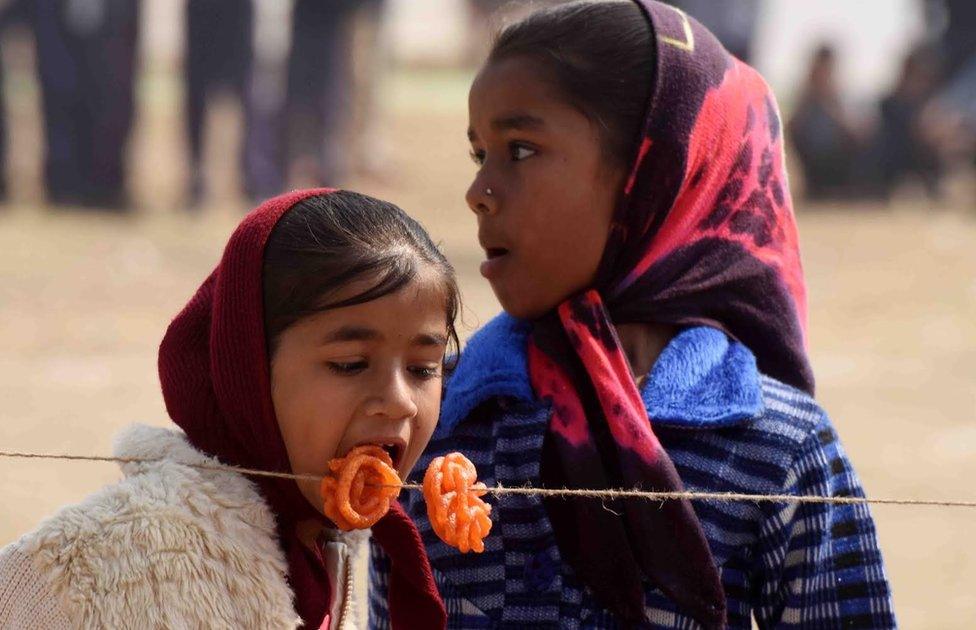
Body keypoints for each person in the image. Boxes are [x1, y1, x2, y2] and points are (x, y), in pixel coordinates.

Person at [369, 2, 896, 628]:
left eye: (522, 149)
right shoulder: (435, 420)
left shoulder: (777, 447)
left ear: (655, 172)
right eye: (480, 155)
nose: (478, 193)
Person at [0, 189, 453, 629]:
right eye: (350, 364)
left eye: (423, 368)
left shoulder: (338, 546)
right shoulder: (80, 572)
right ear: (248, 369)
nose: (400, 400)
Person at [787, 44, 863, 200]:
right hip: (811, 163)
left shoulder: (841, 95)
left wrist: (831, 105)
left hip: (837, 161)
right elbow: (789, 129)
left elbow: (857, 132)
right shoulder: (805, 97)